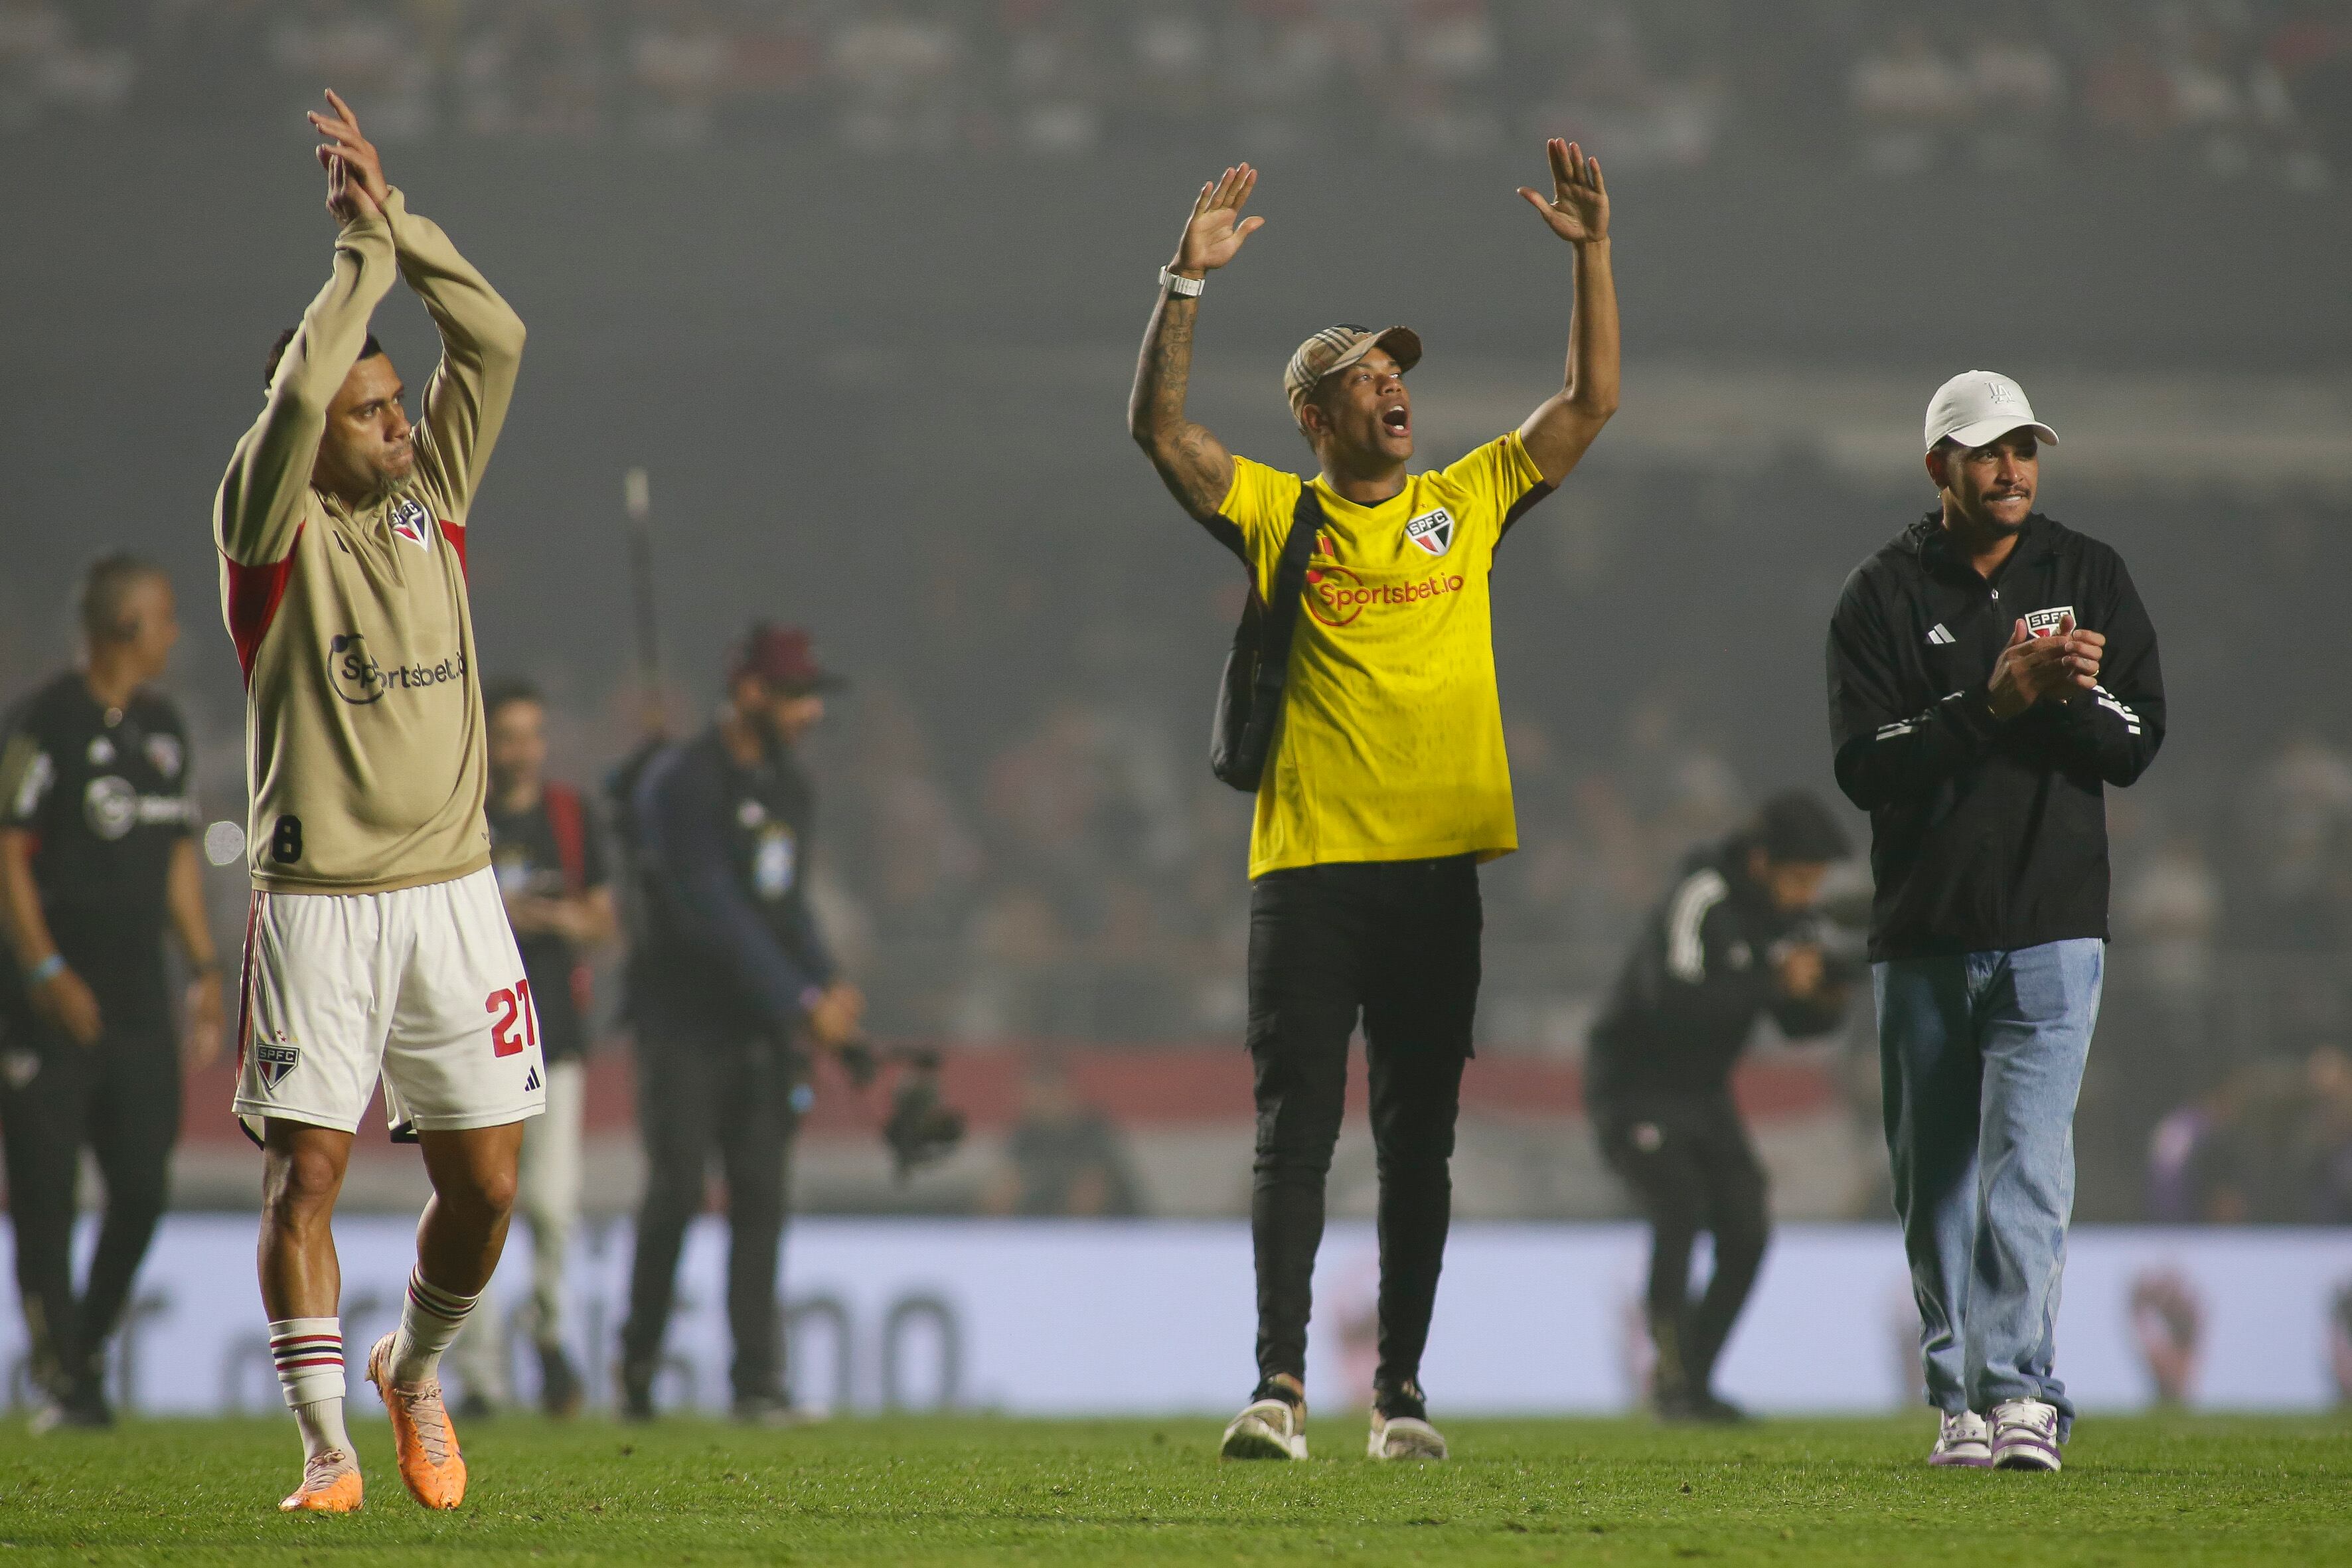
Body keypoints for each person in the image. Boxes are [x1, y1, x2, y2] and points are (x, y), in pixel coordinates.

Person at [1126, 143, 1619, 1462]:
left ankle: (1398, 1394)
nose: (1393, 386)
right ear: (1314, 416)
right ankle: (1279, 1385)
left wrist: (1589, 253)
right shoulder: (1283, 517)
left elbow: (1587, 400)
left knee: (1419, 1147)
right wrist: (1184, 280)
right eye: (1363, 375)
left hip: (1435, 873)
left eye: (1398, 371)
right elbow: (1160, 435)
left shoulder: (1466, 505)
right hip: (1309, 871)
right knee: (1295, 1136)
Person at [212, 92, 530, 1513]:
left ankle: (415, 1364)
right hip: (322, 902)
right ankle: (327, 1446)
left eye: (401, 401)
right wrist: (351, 266)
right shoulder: (264, 534)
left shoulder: (431, 496)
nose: (400, 422)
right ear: (315, 434)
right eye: (372, 409)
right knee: (309, 1176)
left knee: (492, 1191)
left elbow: (499, 341)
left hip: (455, 893)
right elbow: (293, 398)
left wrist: (394, 225)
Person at [1826, 370, 2165, 1472]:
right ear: (1938, 468)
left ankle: (2017, 1393)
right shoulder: (1877, 593)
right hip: (1922, 929)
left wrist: (2062, 696)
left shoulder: (2086, 574)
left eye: (2022, 447)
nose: (2009, 467)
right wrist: (1993, 702)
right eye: (1982, 451)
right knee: (1935, 1189)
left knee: (2026, 1165)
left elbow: (2135, 737)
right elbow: (1862, 769)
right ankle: (1953, 1397)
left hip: (2051, 925)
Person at [618, 625, 864, 1425]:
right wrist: (802, 1001)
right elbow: (710, 911)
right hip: (683, 1025)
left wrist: (826, 978)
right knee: (678, 1191)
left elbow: (785, 907)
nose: (810, 714)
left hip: (759, 1031)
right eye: (796, 696)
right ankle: (639, 1363)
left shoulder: (793, 790)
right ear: (750, 693)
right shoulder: (681, 784)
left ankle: (757, 1383)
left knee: (761, 1196)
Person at [0, 557, 222, 1429]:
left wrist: (203, 968)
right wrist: (46, 967)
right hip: (45, 1006)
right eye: (163, 617)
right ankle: (67, 1376)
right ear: (126, 625)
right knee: (47, 1197)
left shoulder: (166, 728)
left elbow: (176, 861)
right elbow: (7, 849)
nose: (174, 633)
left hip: (137, 999)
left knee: (141, 1188)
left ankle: (83, 1344)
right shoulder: (40, 724)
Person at [1586, 791, 1853, 1423]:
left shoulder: (1788, 917)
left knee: (1746, 1227)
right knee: (1677, 1208)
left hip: (1701, 1093)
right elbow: (1673, 1000)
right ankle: (1673, 1383)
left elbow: (1797, 1026)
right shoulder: (1701, 895)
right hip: (1636, 1085)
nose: (1805, 895)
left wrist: (1823, 996)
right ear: (1760, 862)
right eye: (1798, 878)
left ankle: (1693, 1383)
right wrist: (1771, 979)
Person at [446, 680, 615, 1419]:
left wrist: (557, 917)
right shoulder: (456, 816)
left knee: (551, 1205)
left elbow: (603, 920)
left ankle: (547, 1334)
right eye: (509, 734)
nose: (523, 750)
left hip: (555, 1036)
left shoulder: (572, 818)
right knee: (478, 1206)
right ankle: (481, 1375)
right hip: (470, 1037)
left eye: (532, 734)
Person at [978, 1052, 1144, 1217]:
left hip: (1110, 1232)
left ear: (1062, 1091)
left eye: (1042, 1094)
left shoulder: (1091, 1131)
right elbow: (1005, 1191)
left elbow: (1090, 1195)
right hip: (1044, 1230)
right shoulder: (1026, 1134)